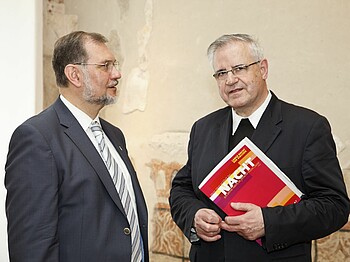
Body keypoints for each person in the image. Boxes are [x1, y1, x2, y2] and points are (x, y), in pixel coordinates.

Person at [169, 33, 350, 261]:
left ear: (263, 69)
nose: (230, 80)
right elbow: (181, 189)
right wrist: (194, 215)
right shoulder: (203, 128)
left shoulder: (307, 127)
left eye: (239, 68)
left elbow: (334, 207)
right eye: (221, 73)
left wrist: (268, 222)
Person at [5, 31, 148, 262]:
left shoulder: (114, 135)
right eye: (105, 66)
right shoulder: (37, 138)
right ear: (75, 75)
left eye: (115, 64)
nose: (117, 74)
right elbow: (32, 245)